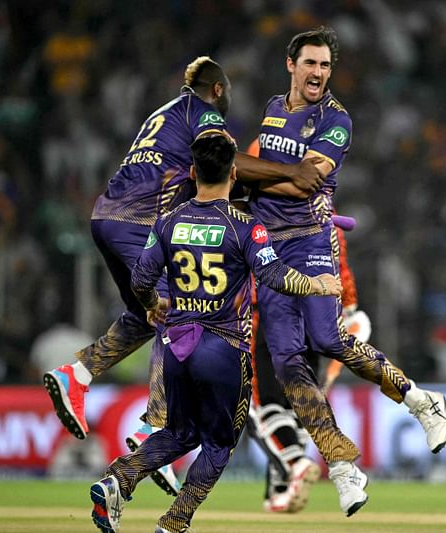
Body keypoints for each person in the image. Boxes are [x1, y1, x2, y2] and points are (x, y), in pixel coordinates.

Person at [42, 56, 323, 495]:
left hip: (109, 218)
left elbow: (215, 182)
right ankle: (153, 428)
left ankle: (75, 374)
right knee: (181, 306)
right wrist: (294, 174)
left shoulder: (166, 117)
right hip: (138, 223)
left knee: (143, 315)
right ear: (216, 89)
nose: (228, 104)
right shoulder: (202, 111)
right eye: (227, 94)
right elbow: (227, 162)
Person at [247, 26, 446, 516]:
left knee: (328, 340)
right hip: (269, 254)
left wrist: (244, 183)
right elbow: (281, 177)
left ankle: (422, 402)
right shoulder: (275, 110)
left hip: (311, 244)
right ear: (291, 65)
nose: (318, 72)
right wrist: (257, 184)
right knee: (287, 366)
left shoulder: (336, 119)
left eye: (325, 65)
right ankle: (343, 467)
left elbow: (306, 183)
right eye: (310, 63)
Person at [89, 134, 342, 533]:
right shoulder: (246, 227)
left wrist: (154, 305)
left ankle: (117, 480)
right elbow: (273, 275)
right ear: (235, 173)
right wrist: (317, 284)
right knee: (219, 444)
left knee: (178, 432)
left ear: (193, 173)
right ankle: (174, 522)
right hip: (223, 347)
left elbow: (141, 279)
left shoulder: (167, 221)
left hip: (176, 345)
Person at [248, 213, 370, 513]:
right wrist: (348, 307)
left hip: (267, 313)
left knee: (260, 407)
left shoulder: (260, 213)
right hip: (315, 312)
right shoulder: (325, 221)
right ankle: (281, 489)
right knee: (299, 403)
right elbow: (342, 275)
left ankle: (295, 465)